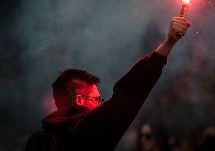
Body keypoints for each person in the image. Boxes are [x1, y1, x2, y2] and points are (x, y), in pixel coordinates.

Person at [25, 17, 190, 151]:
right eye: (97, 99)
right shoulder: (87, 132)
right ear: (79, 99)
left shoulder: (40, 140)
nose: (100, 105)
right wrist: (168, 43)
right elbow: (127, 95)